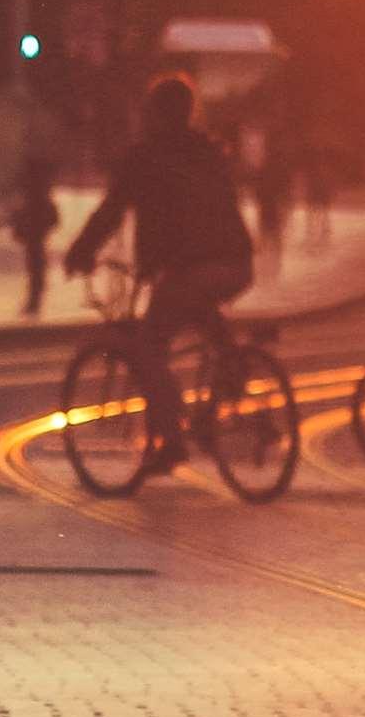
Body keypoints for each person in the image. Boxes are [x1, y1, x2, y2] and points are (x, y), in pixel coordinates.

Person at [65, 72, 257, 470]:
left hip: (193, 268)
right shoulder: (210, 150)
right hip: (238, 262)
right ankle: (232, 382)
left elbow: (111, 211)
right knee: (201, 313)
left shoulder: (145, 157)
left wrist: (81, 252)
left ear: (154, 113)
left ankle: (172, 440)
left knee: (149, 347)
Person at [11, 157, 62, 317]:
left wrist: (20, 227)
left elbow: (52, 218)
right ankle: (34, 300)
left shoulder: (33, 197)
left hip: (35, 236)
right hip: (36, 236)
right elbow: (54, 219)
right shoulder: (39, 196)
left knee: (35, 269)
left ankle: (34, 301)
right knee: (36, 270)